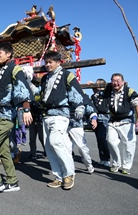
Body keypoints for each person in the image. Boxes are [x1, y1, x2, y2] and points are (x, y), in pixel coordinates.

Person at [0, 43, 33, 195]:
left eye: (1, 52)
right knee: (4, 151)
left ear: (9, 54)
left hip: (6, 116)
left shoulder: (15, 69)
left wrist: (26, 109)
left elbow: (22, 88)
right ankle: (12, 181)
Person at [39, 51, 87, 190]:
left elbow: (76, 92)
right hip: (47, 115)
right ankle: (58, 176)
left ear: (58, 62)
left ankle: (69, 174)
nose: (47, 65)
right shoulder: (45, 78)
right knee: (49, 146)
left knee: (56, 142)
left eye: (50, 62)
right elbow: (40, 95)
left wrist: (79, 106)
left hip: (61, 114)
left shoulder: (67, 75)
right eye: (46, 62)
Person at [103, 73, 138, 175]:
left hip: (127, 121)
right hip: (113, 121)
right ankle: (116, 163)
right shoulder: (108, 90)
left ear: (123, 82)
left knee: (128, 145)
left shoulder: (129, 91)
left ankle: (126, 166)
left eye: (118, 80)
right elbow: (99, 93)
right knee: (111, 141)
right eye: (113, 80)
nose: (115, 83)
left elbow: (137, 104)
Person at [67, 101, 97, 174]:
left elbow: (91, 110)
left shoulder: (79, 95)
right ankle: (68, 168)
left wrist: (94, 119)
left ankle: (88, 164)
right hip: (64, 125)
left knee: (81, 147)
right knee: (66, 148)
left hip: (77, 126)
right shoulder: (60, 93)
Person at [88, 79, 111, 167]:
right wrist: (91, 86)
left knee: (102, 138)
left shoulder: (106, 94)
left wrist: (100, 87)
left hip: (104, 118)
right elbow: (95, 94)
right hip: (96, 118)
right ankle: (102, 157)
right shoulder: (94, 96)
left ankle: (107, 158)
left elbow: (104, 91)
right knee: (98, 139)